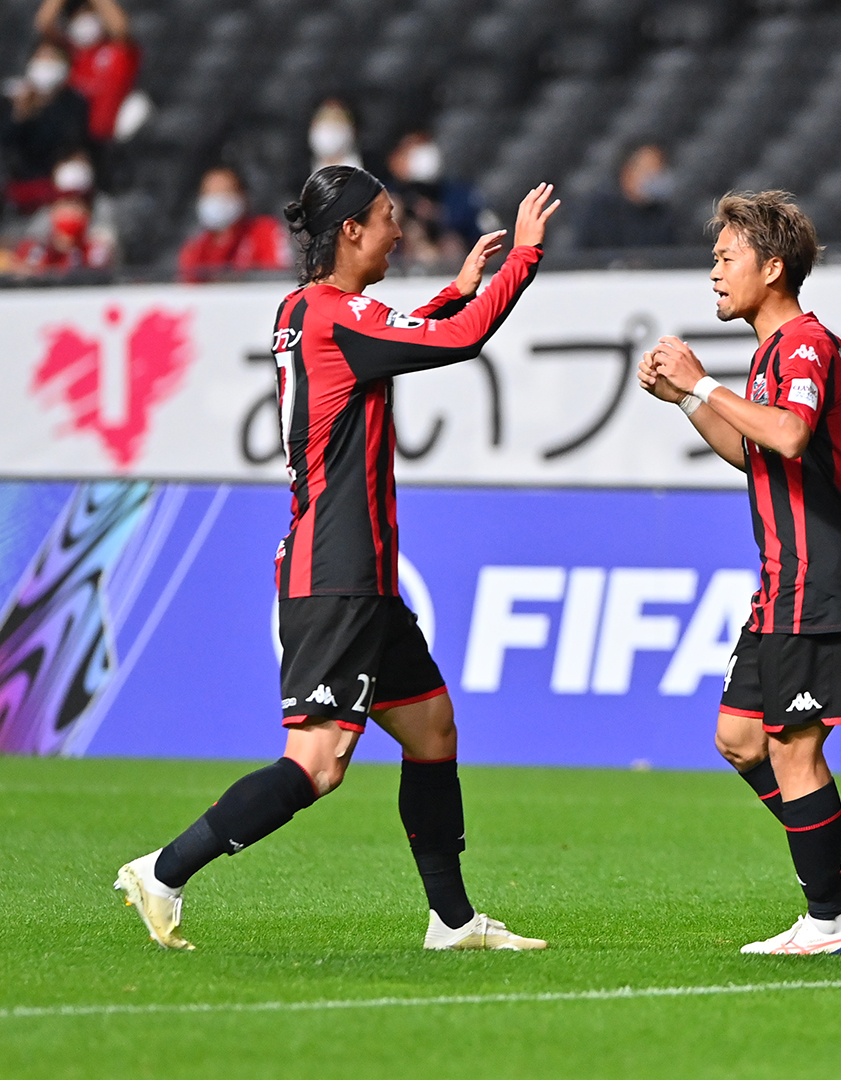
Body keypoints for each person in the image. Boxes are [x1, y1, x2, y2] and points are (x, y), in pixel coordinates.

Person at [112, 167, 559, 952]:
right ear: (350, 229)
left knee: (431, 730)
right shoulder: (338, 319)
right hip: (337, 573)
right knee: (317, 764)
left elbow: (391, 336)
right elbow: (454, 342)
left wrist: (454, 289)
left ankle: (452, 923)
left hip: (363, 575)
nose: (397, 231)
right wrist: (522, 258)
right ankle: (164, 870)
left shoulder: (305, 310)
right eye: (387, 218)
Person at [638, 191, 841, 956]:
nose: (713, 272)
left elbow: (787, 434)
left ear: (772, 266)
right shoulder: (771, 352)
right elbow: (754, 449)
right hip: (784, 582)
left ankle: (826, 921)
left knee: (793, 747)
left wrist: (702, 381)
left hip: (821, 581)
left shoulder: (805, 343)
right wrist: (689, 400)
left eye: (726, 258)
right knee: (741, 738)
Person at [2, 42, 91, 214]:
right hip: (18, 181)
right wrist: (20, 114)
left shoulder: (74, 102)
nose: (45, 64)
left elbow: (73, 141)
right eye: (41, 58)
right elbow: (5, 142)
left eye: (52, 59)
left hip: (55, 182)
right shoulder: (12, 100)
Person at [35, 0, 138, 145]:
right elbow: (44, 23)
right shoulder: (70, 53)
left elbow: (120, 27)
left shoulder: (116, 52)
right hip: (70, 141)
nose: (84, 20)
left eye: (89, 13)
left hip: (109, 141)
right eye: (77, 15)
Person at [176, 165, 290, 282]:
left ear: (243, 196)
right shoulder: (196, 244)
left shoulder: (265, 231)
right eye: (210, 193)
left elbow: (277, 278)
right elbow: (186, 285)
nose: (218, 200)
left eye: (225, 192)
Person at [578, 142, 678, 249]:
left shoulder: (666, 216)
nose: (654, 178)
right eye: (648, 171)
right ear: (628, 172)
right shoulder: (600, 211)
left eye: (658, 171)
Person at [11, 192, 111, 273]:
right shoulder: (34, 249)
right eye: (65, 205)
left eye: (76, 206)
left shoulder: (94, 251)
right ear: (52, 212)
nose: (70, 213)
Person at [308, 99, 361, 172]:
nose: (330, 130)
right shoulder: (299, 174)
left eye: (337, 121)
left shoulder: (369, 177)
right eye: (325, 122)